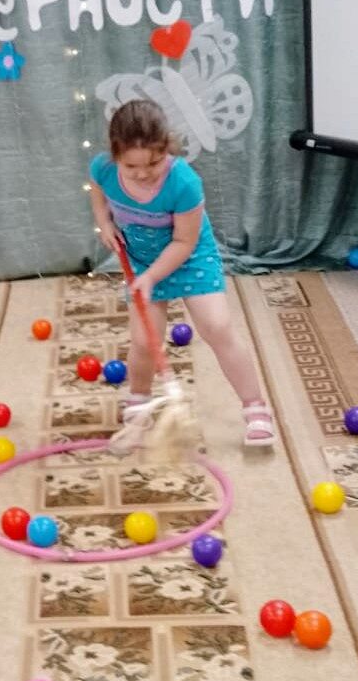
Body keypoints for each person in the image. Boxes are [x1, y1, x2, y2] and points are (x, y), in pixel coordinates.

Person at [88, 99, 276, 447]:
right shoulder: (103, 168)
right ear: (115, 156)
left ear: (166, 148)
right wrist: (104, 223)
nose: (143, 174)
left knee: (217, 326)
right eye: (131, 166)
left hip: (189, 256)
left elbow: (184, 242)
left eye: (154, 163)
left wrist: (152, 278)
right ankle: (138, 404)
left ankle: (255, 409)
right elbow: (97, 190)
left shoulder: (185, 183)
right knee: (145, 340)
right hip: (141, 260)